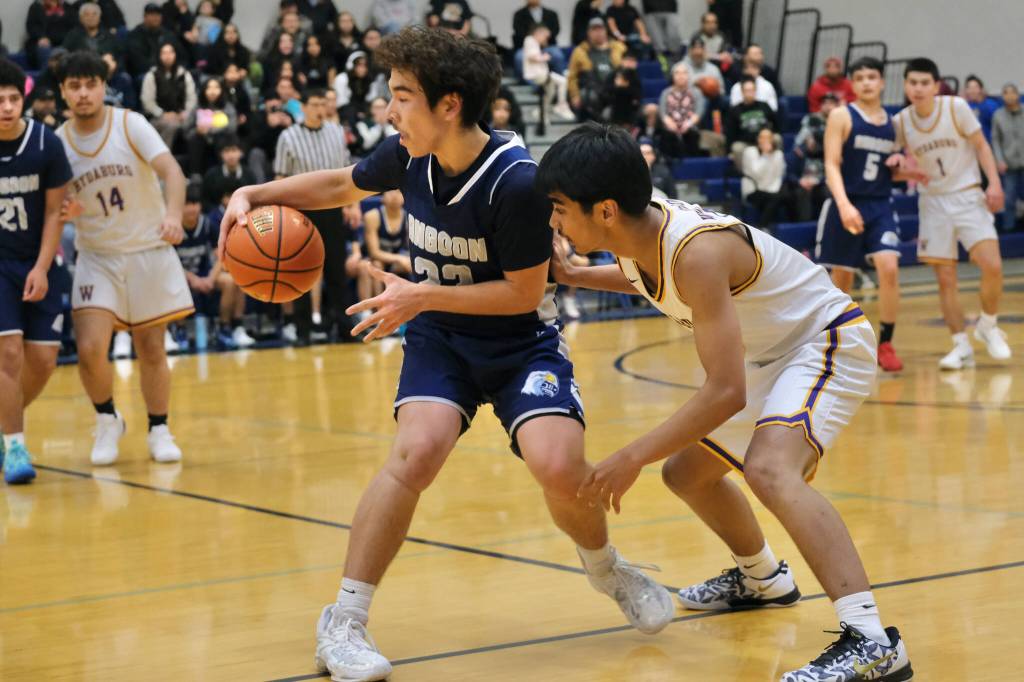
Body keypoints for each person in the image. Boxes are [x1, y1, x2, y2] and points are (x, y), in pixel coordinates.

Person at [218, 27, 673, 681]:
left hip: (519, 342)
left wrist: (421, 295)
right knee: (416, 451)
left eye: (402, 96)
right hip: (441, 336)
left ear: (449, 105)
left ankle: (607, 569)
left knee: (561, 467)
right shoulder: (409, 153)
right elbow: (341, 186)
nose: (390, 109)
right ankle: (341, 622)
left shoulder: (516, 182)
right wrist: (258, 196)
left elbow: (523, 294)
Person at [539, 121, 914, 682]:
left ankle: (871, 640)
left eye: (562, 208)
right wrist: (573, 274)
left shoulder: (696, 253)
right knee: (688, 474)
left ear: (607, 210)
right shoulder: (639, 235)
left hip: (823, 337)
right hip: (772, 355)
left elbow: (724, 392)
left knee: (770, 470)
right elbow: (647, 279)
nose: (555, 220)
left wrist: (629, 456)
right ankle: (763, 578)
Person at [56, 50, 192, 465]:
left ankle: (159, 428)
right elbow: (56, 201)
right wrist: (66, 209)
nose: (83, 93)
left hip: (148, 250)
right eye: (74, 86)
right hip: (97, 256)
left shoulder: (130, 123)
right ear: (62, 92)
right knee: (91, 347)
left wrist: (172, 215)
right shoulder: (58, 142)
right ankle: (107, 418)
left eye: (90, 85)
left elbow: (172, 171)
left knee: (151, 347)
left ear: (103, 87)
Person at [894, 58, 1012, 369]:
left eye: (924, 83)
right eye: (912, 83)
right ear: (905, 86)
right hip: (933, 203)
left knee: (993, 265)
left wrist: (995, 183)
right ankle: (960, 345)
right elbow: (893, 173)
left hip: (968, 194)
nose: (918, 89)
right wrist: (910, 174)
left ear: (935, 85)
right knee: (946, 280)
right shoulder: (901, 122)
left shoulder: (955, 108)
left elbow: (983, 146)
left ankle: (987, 325)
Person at [815, 58, 922, 373]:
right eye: (859, 77)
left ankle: (885, 343)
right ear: (852, 83)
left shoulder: (895, 124)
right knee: (842, 280)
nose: (866, 83)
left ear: (881, 82)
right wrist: (845, 205)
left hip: (880, 204)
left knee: (889, 267)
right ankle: (836, 342)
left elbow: (901, 171)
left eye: (871, 77)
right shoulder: (841, 115)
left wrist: (902, 167)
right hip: (846, 201)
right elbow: (831, 164)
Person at [0, 57, 72, 485]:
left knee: (43, 359)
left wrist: (43, 267)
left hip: (38, 259)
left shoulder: (45, 143)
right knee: (8, 353)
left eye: (12, 99)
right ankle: (15, 445)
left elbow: (54, 213)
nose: (6, 107)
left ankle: (6, 425)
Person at [273, 87, 354, 345]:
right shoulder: (288, 136)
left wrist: (353, 205)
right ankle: (303, 331)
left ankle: (343, 327)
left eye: (323, 103)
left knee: (336, 271)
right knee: (301, 270)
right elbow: (280, 178)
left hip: (332, 207)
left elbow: (347, 171)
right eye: (316, 104)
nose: (321, 109)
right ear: (304, 107)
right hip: (301, 211)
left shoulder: (336, 132)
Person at [173, 184, 253, 348]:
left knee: (232, 281)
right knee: (173, 283)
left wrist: (210, 278)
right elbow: (169, 263)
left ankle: (227, 328)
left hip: (205, 275)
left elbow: (221, 256)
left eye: (194, 204)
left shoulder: (208, 224)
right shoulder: (173, 228)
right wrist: (192, 279)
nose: (191, 209)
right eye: (187, 204)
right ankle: (178, 330)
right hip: (182, 277)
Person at [140, 42, 197, 149]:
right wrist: (163, 114)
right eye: (164, 53)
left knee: (177, 125)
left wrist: (184, 113)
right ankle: (163, 157)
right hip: (158, 117)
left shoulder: (184, 74)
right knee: (170, 125)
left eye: (171, 52)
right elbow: (147, 101)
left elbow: (192, 98)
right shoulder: (152, 75)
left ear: (175, 55)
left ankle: (162, 156)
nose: (168, 56)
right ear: (159, 56)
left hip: (182, 116)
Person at [568, 18, 626, 121]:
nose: (598, 33)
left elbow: (629, 70)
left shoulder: (619, 48)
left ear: (605, 31)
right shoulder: (579, 51)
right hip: (592, 89)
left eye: (600, 29)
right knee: (590, 95)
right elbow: (572, 76)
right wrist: (574, 95)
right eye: (594, 30)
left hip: (614, 89)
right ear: (588, 33)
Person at [523, 24, 575, 122]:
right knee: (563, 81)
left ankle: (541, 111)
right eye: (545, 37)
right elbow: (532, 56)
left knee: (551, 91)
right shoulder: (530, 40)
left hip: (542, 74)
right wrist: (544, 57)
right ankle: (561, 105)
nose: (545, 40)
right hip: (537, 75)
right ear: (538, 33)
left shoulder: (534, 43)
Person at [362, 189, 411, 289]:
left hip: (395, 260)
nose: (394, 195)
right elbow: (374, 253)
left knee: (413, 265)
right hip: (372, 259)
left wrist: (405, 259)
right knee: (376, 266)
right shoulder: (372, 216)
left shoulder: (409, 218)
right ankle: (378, 305)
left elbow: (411, 250)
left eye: (398, 191)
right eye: (390, 191)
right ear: (383, 195)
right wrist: (399, 258)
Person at [725, 75, 778, 167]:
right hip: (746, 142)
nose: (750, 93)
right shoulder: (735, 110)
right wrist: (729, 151)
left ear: (755, 91)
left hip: (764, 139)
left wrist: (769, 137)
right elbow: (730, 132)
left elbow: (776, 123)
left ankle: (772, 169)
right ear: (742, 92)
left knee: (777, 138)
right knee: (736, 148)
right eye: (747, 90)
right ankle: (747, 174)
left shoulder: (764, 106)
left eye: (752, 90)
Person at [992, 82, 1024, 232]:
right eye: (1006, 93)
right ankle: (1009, 227)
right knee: (1009, 197)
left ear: (1018, 95)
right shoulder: (998, 115)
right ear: (1002, 96)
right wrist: (999, 160)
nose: (1010, 96)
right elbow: (996, 140)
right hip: (1009, 163)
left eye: (1012, 92)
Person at [740, 127, 787, 226]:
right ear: (758, 139)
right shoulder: (750, 152)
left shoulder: (778, 154)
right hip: (753, 190)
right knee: (776, 198)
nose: (765, 140)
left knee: (788, 194)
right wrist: (766, 154)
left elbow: (779, 175)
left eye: (768, 138)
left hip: (772, 190)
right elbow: (756, 173)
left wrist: (773, 190)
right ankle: (762, 226)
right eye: (762, 137)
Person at [658, 61, 705, 158]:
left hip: (691, 127)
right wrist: (671, 124)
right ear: (672, 76)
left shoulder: (696, 92)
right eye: (677, 73)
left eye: (684, 73)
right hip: (670, 128)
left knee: (692, 136)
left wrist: (687, 124)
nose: (681, 76)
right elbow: (663, 113)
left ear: (688, 75)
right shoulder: (665, 93)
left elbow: (699, 112)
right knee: (667, 135)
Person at [201, 134, 255, 211]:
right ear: (220, 154)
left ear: (241, 152)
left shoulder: (249, 175)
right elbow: (205, 202)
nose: (230, 155)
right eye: (226, 151)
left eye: (234, 150)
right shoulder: (211, 176)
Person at [962, 75, 999, 141]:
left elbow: (998, 127)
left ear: (981, 89)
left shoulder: (991, 105)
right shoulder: (964, 106)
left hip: (989, 143)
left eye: (975, 87)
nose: (972, 91)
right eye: (969, 88)